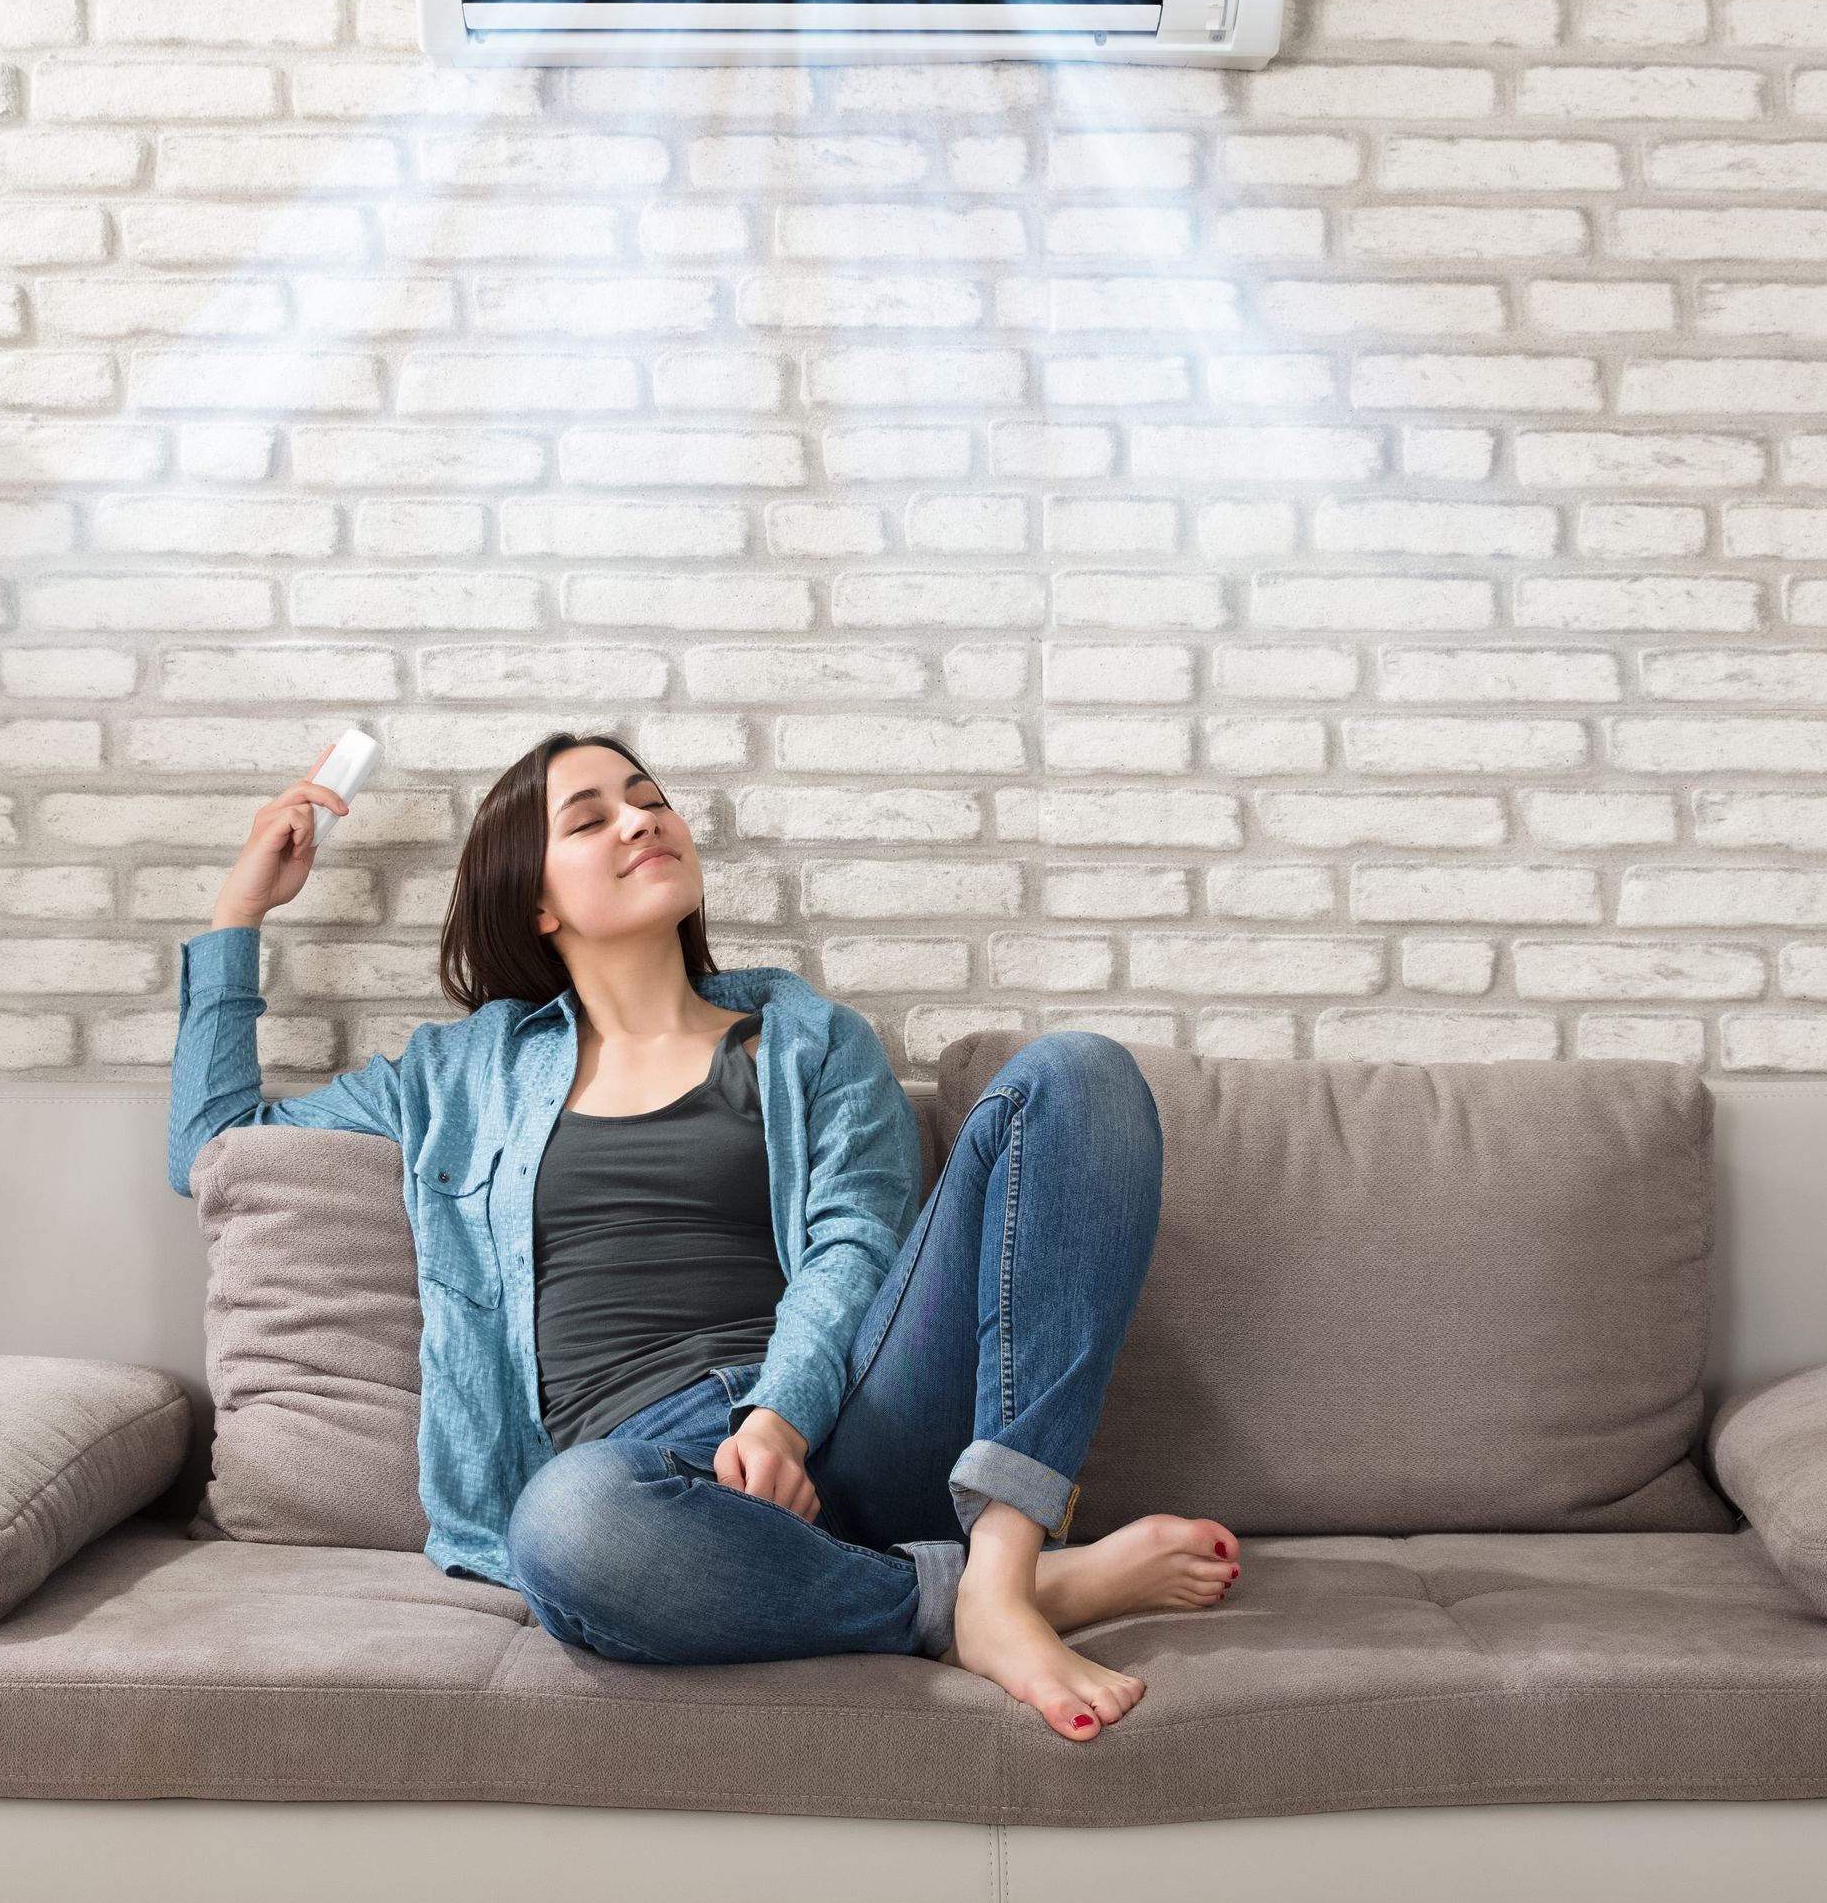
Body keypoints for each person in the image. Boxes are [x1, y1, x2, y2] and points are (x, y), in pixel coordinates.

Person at [168, 729, 1242, 1742]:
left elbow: (854, 1246)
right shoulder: (459, 1076)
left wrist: (778, 1420)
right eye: (589, 820)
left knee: (1077, 1074)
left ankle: (1004, 1578)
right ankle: (976, 1592)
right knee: (569, 1526)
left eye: (649, 801)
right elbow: (217, 1149)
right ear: (533, 903)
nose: (640, 822)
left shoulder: (804, 1038)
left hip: (858, 1414)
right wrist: (240, 911)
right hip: (651, 1478)